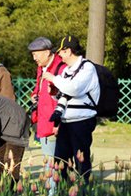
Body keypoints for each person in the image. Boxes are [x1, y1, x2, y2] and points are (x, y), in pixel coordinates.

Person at [40, 35, 100, 180]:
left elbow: (74, 88)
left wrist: (53, 78)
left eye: (61, 51)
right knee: (60, 162)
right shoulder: (67, 70)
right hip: (66, 123)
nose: (59, 55)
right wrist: (55, 93)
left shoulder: (87, 67)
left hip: (81, 122)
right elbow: (65, 95)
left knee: (81, 162)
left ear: (68, 51)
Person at [28, 37, 65, 157]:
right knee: (49, 160)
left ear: (47, 52)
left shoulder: (61, 67)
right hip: (43, 120)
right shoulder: (41, 68)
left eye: (36, 54)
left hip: (56, 122)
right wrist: (34, 95)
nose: (34, 58)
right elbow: (37, 88)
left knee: (55, 163)